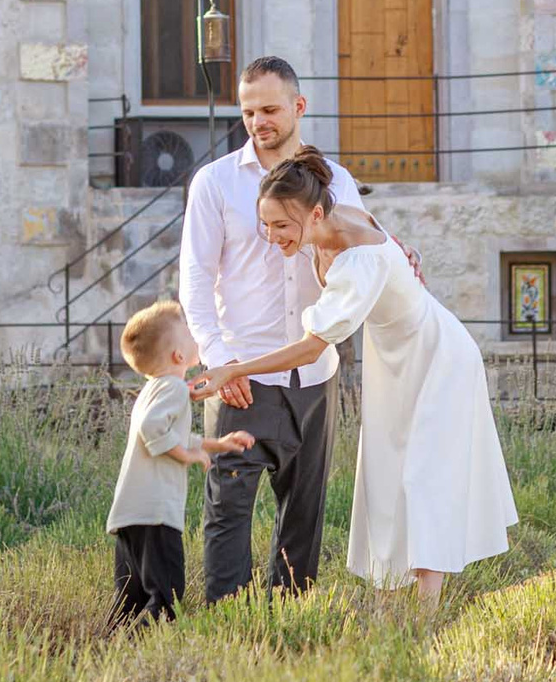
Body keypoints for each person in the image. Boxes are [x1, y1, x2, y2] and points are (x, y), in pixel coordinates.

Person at [196, 149, 517, 605]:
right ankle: (389, 596)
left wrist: (234, 367)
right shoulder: (338, 214)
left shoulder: (355, 260)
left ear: (315, 213)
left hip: (436, 358)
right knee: (384, 473)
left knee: (427, 477)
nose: (271, 237)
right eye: (264, 225)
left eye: (281, 226)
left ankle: (427, 613)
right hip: (394, 361)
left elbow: (311, 347)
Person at [177, 56, 383, 600]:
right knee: (227, 514)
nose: (257, 121)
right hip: (242, 375)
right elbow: (194, 281)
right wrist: (218, 360)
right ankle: (229, 631)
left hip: (316, 375)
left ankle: (291, 631)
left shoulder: (335, 180)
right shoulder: (214, 184)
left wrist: (399, 248)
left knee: (305, 518)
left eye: (269, 109)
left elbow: (364, 247)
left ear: (298, 107)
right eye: (247, 112)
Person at [106, 299, 253, 623]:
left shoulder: (153, 389)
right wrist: (187, 455)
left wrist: (219, 444)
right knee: (167, 597)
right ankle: (153, 651)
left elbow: (171, 432)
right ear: (178, 356)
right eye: (188, 331)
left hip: (132, 514)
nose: (194, 334)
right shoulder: (173, 388)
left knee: (129, 601)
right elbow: (152, 429)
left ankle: (111, 652)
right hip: (156, 515)